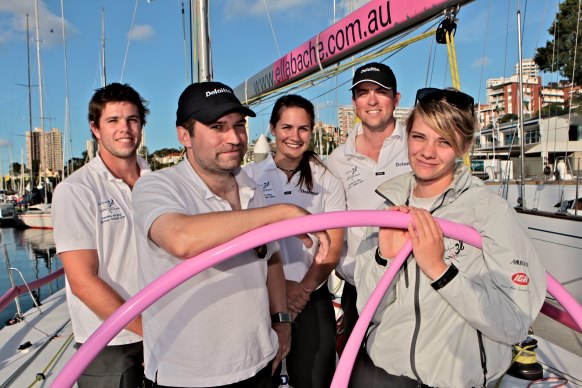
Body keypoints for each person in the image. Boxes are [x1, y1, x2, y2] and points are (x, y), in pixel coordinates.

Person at [132, 81, 330, 388]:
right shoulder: (157, 186)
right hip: (188, 375)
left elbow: (272, 257)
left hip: (259, 361)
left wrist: (281, 321)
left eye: (239, 126)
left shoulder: (250, 186)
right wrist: (282, 213)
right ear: (185, 135)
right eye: (218, 127)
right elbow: (181, 239)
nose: (235, 138)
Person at [351, 87, 547, 387]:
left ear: (464, 146)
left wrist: (440, 271)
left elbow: (515, 323)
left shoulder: (491, 213)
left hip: (454, 379)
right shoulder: (386, 208)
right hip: (383, 371)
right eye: (419, 137)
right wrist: (384, 259)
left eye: (444, 141)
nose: (427, 152)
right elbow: (368, 310)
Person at [52, 82, 150, 387]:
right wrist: (148, 329)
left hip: (164, 333)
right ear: (95, 129)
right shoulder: (76, 190)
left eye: (132, 120)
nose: (125, 129)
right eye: (113, 121)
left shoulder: (158, 184)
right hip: (110, 340)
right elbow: (82, 282)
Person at [244, 94, 345, 388]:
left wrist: (301, 291)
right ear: (273, 128)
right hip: (261, 298)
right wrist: (280, 290)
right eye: (286, 127)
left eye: (303, 128)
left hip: (310, 297)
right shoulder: (248, 178)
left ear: (311, 132)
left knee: (314, 380)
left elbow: (333, 247)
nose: (295, 136)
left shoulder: (327, 181)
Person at [326, 62, 411, 346]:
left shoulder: (417, 144)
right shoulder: (337, 159)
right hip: (358, 286)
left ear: (396, 99)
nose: (372, 100)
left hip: (413, 282)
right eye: (363, 93)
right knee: (359, 371)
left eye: (381, 92)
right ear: (354, 102)